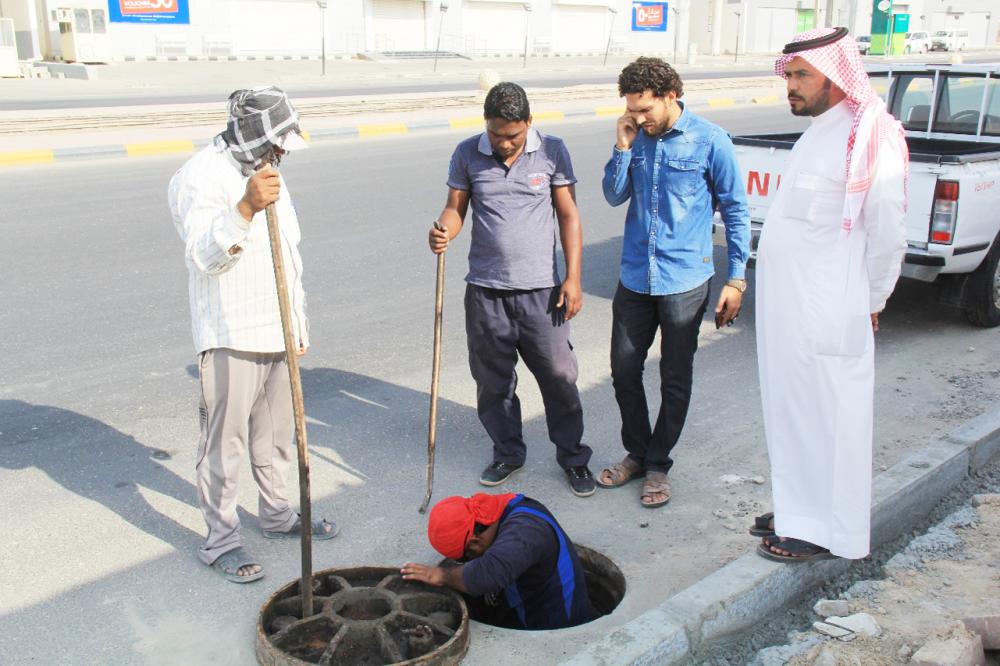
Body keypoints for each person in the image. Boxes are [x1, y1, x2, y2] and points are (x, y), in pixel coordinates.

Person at [168, 86, 338, 583]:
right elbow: (204, 256)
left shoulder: (269, 173)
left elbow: (288, 255)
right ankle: (221, 540)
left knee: (275, 437)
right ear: (255, 137)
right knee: (225, 444)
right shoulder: (200, 178)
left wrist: (298, 326)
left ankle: (277, 514)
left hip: (277, 330)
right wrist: (243, 209)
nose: (284, 153)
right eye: (279, 143)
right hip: (230, 333)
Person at [754, 28, 908, 562]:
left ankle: (824, 530)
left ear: (837, 77)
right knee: (792, 413)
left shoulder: (871, 135)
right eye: (789, 74)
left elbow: (888, 227)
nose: (790, 86)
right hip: (791, 314)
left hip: (830, 311)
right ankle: (799, 508)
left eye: (802, 76)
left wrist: (873, 301)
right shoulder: (817, 132)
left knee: (829, 420)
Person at [427, 82, 596, 497]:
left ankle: (573, 457)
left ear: (529, 124)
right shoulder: (467, 151)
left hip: (542, 291)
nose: (504, 143)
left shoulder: (553, 150)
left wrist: (573, 278)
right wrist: (444, 230)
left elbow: (569, 216)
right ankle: (508, 451)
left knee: (559, 375)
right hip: (486, 291)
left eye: (513, 136)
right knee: (492, 380)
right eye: (496, 134)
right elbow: (455, 208)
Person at [598, 57, 751, 508]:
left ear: (670, 96)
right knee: (624, 370)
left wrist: (736, 278)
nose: (638, 118)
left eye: (644, 109)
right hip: (634, 277)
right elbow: (612, 194)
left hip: (685, 279)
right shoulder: (635, 139)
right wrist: (623, 146)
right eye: (631, 110)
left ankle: (657, 463)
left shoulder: (710, 140)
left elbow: (736, 211)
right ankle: (638, 452)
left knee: (674, 376)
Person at [401, 493, 594, 630]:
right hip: (523, 599)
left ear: (475, 542)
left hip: (553, 622)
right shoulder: (498, 510)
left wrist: (442, 575)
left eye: (464, 558)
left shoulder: (526, 531)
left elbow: (487, 575)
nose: (466, 562)